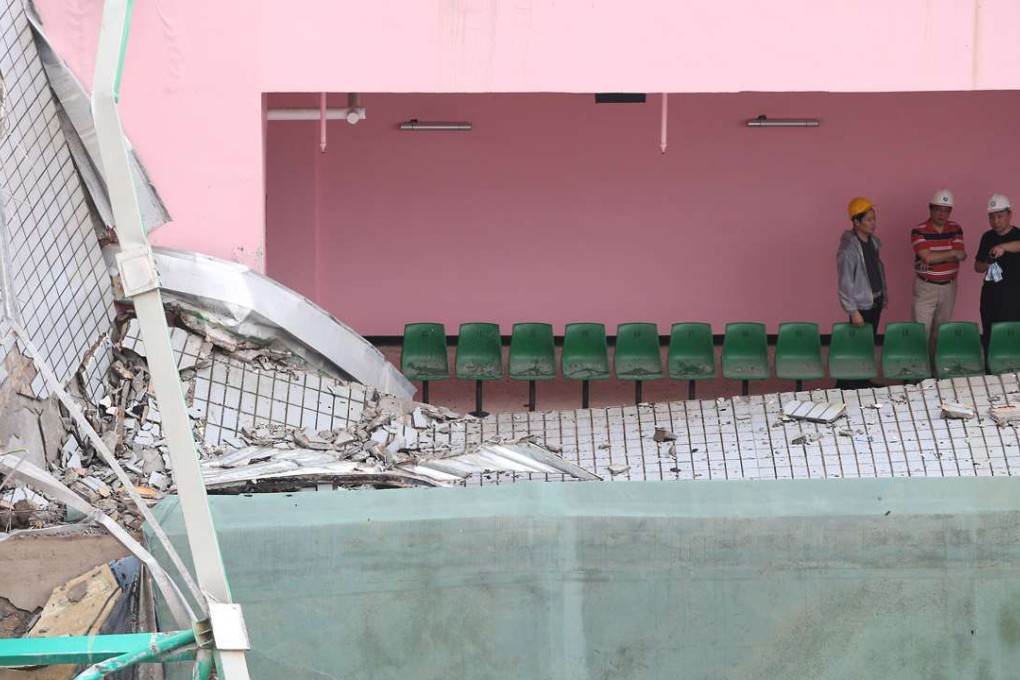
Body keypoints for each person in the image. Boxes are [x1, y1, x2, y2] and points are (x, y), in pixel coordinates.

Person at [837, 197, 886, 388]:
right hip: (861, 306)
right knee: (856, 347)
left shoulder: (872, 242)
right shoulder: (848, 250)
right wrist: (853, 310)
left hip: (874, 301)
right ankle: (844, 385)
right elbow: (845, 283)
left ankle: (862, 381)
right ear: (856, 222)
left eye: (874, 219)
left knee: (866, 346)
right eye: (869, 220)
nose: (874, 224)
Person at [911, 189, 966, 351]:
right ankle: (918, 372)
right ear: (930, 209)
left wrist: (933, 257)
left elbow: (960, 256)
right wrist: (951, 254)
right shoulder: (919, 230)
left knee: (940, 332)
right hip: (926, 287)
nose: (942, 214)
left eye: (946, 210)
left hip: (949, 287)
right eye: (938, 209)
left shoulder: (956, 228)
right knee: (921, 332)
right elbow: (928, 257)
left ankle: (935, 371)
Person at [974, 193, 1020, 358]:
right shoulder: (987, 237)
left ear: (1010, 215)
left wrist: (1003, 247)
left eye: (1000, 216)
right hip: (990, 298)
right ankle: (990, 372)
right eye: (992, 217)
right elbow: (977, 267)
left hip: (1014, 300)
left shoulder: (1017, 234)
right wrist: (985, 263)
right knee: (990, 338)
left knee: (1012, 338)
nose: (996, 221)